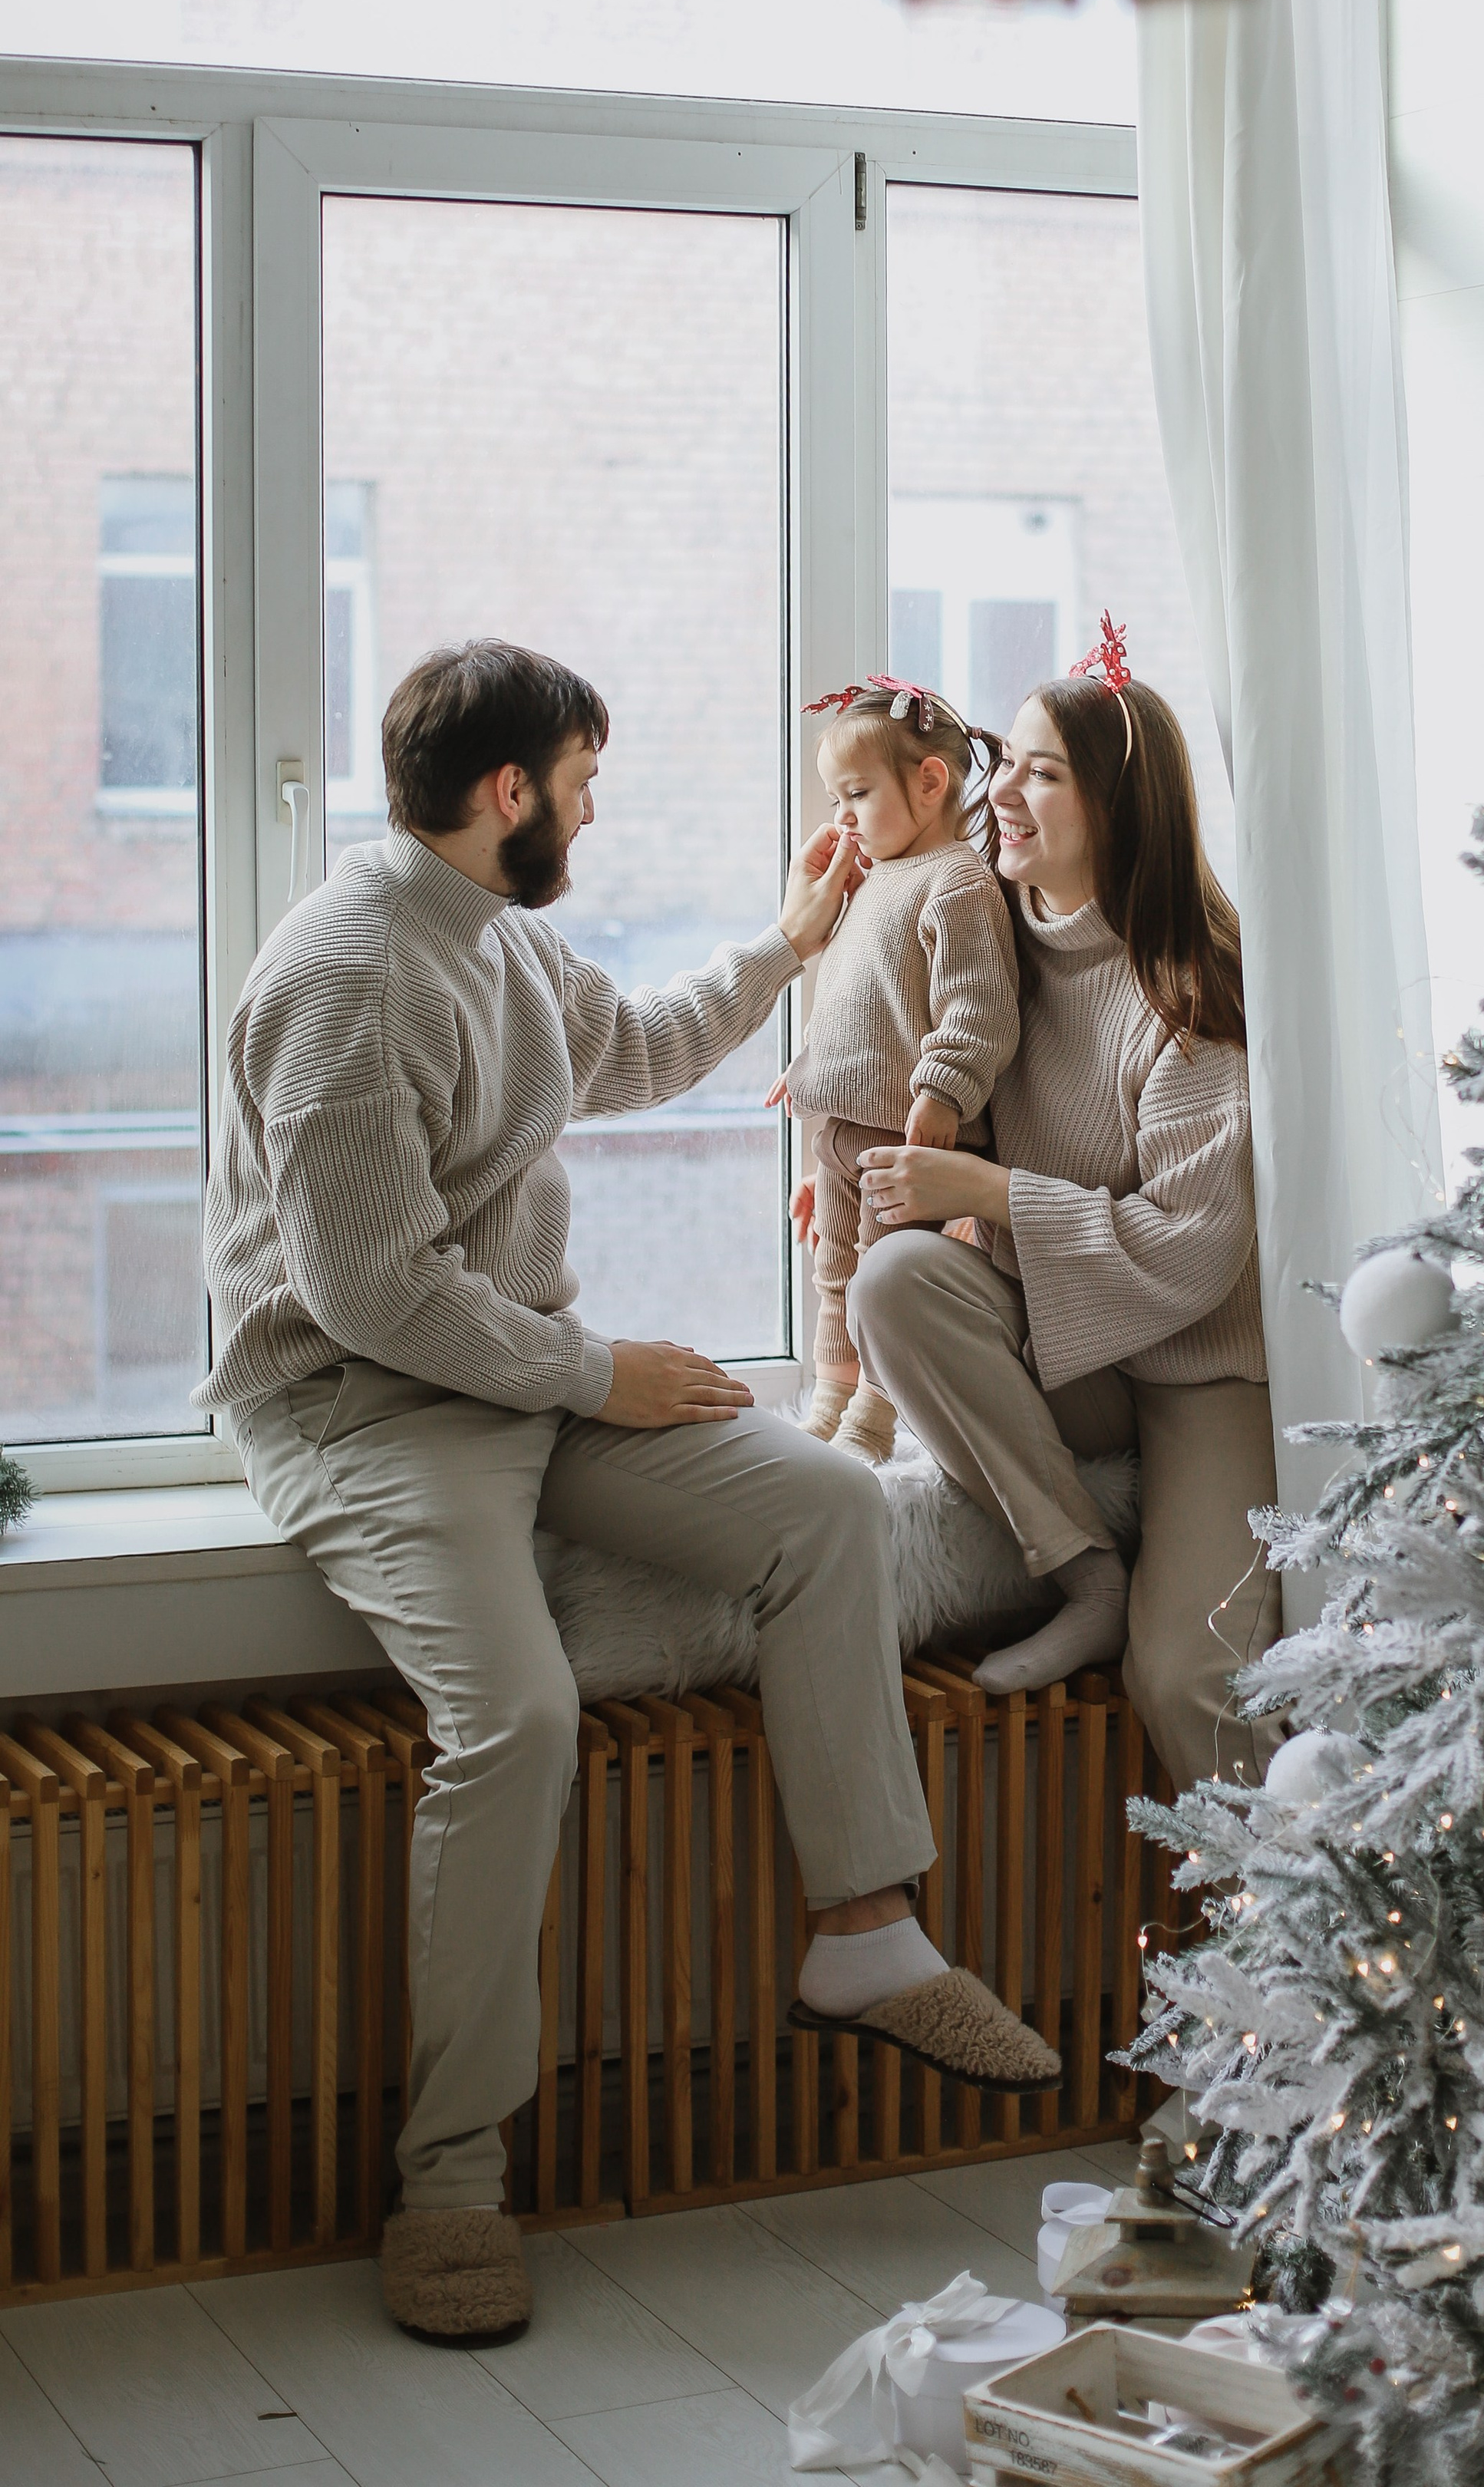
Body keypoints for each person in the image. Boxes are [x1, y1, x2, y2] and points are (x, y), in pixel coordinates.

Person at [197, 639, 1057, 2350]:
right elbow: (369, 1291)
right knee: (510, 1719)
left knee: (820, 1507)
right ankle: (449, 2177)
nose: (594, 809)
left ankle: (867, 1934)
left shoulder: (495, 935)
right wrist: (599, 1377)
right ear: (505, 792)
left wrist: (790, 945)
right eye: (582, 783)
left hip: (513, 1364)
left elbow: (637, 1049)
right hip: (370, 1405)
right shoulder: (352, 975)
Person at [847, 618, 1284, 1792]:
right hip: (1071, 1349)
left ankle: (1281, 1954)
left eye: (1045, 775)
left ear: (1118, 807)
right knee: (894, 1282)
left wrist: (989, 1191)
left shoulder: (1191, 997)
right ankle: (1085, 1572)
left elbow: (1194, 1253)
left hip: (1200, 1370)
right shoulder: (993, 945)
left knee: (1189, 1678)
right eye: (1010, 770)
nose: (1008, 799)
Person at [772, 676, 1018, 1465]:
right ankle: (829, 1401)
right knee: (833, 1268)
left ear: (928, 782)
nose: (840, 815)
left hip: (901, 1131)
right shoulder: (875, 879)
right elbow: (855, 1000)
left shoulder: (958, 883)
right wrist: (806, 1068)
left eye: (856, 793)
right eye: (833, 796)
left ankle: (872, 1423)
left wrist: (944, 1088)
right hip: (842, 1127)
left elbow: (978, 1009)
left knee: (881, 1283)